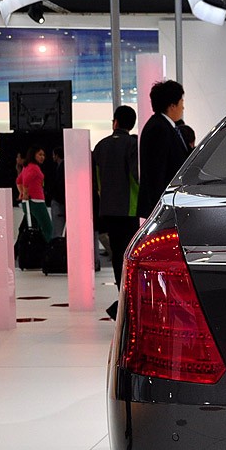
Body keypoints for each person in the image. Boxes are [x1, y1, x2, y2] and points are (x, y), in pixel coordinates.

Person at [93, 105, 140, 313]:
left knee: (116, 254)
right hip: (129, 208)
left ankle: (121, 295)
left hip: (108, 209)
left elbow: (96, 180)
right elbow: (136, 176)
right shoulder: (133, 144)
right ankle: (129, 299)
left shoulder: (100, 146)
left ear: (115, 122)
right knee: (129, 254)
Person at [136, 79, 188, 219]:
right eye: (181, 102)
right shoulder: (159, 129)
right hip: (163, 206)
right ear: (172, 105)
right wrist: (161, 209)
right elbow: (157, 172)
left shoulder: (162, 126)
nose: (183, 107)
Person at [16, 146, 53, 243]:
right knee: (47, 227)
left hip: (29, 202)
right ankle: (47, 248)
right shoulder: (34, 168)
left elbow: (19, 181)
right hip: (36, 201)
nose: (42, 157)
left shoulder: (26, 167)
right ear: (33, 155)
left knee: (33, 227)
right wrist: (25, 193)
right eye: (40, 154)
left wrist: (22, 193)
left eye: (43, 155)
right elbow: (26, 180)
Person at [48, 146, 67, 238]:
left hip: (59, 201)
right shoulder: (64, 166)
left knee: (57, 228)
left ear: (56, 155)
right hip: (62, 200)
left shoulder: (61, 167)